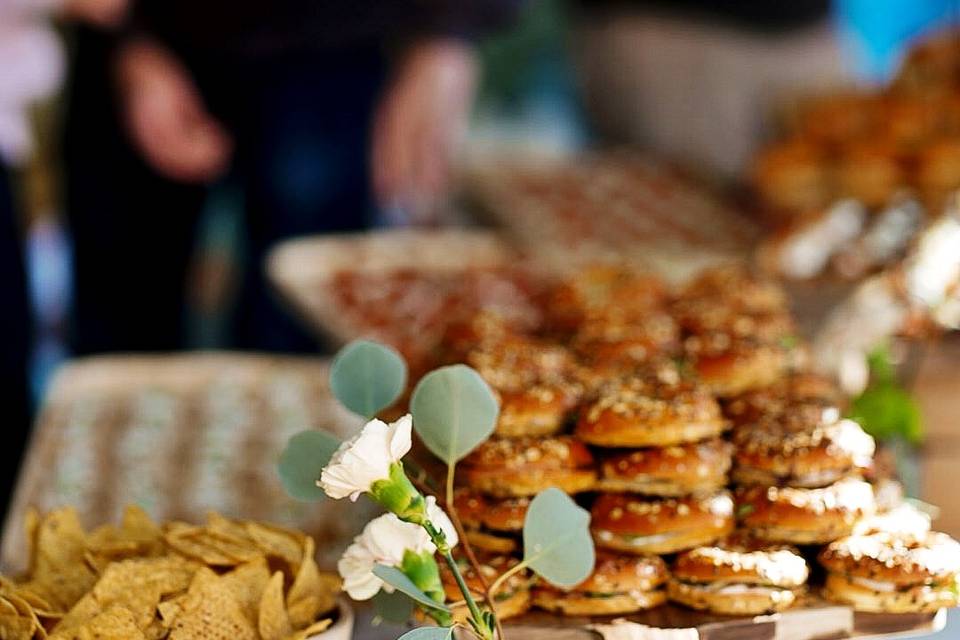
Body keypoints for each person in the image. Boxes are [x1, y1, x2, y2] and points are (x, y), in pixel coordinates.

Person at [64, 1, 522, 354]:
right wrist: (125, 31)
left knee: (305, 330)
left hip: (331, 37)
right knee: (122, 322)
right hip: (146, 31)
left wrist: (446, 33)